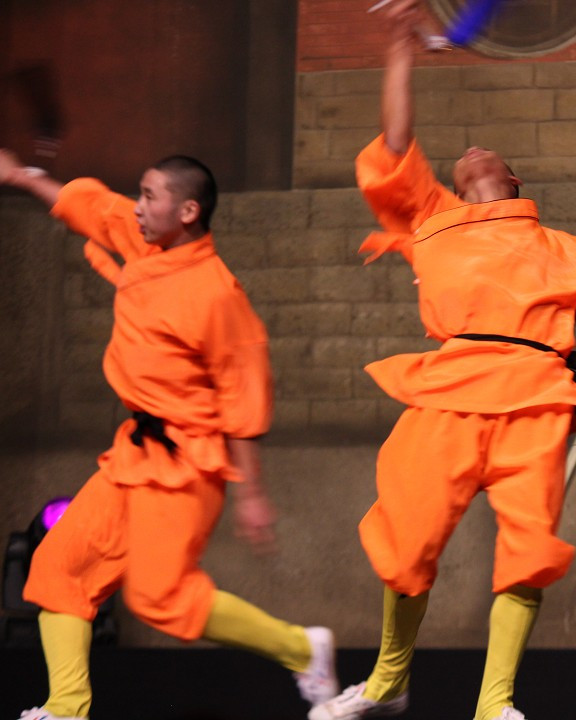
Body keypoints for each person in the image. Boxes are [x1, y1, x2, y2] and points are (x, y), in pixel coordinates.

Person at [309, 3, 576, 720]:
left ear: (516, 178)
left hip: (537, 399)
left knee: (528, 548)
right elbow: (394, 141)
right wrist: (399, 49)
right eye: (464, 155)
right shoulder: (433, 221)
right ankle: (389, 682)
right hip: (450, 390)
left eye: (489, 153)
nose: (475, 151)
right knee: (408, 538)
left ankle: (495, 705)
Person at [0, 150, 339, 720]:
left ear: (186, 210)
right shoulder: (144, 246)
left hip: (188, 461)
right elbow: (88, 207)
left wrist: (252, 494)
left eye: (150, 196)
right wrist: (21, 177)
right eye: (140, 192)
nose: (137, 206)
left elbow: (245, 398)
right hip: (134, 453)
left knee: (160, 597)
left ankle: (303, 650)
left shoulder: (217, 294)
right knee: (59, 570)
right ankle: (66, 708)